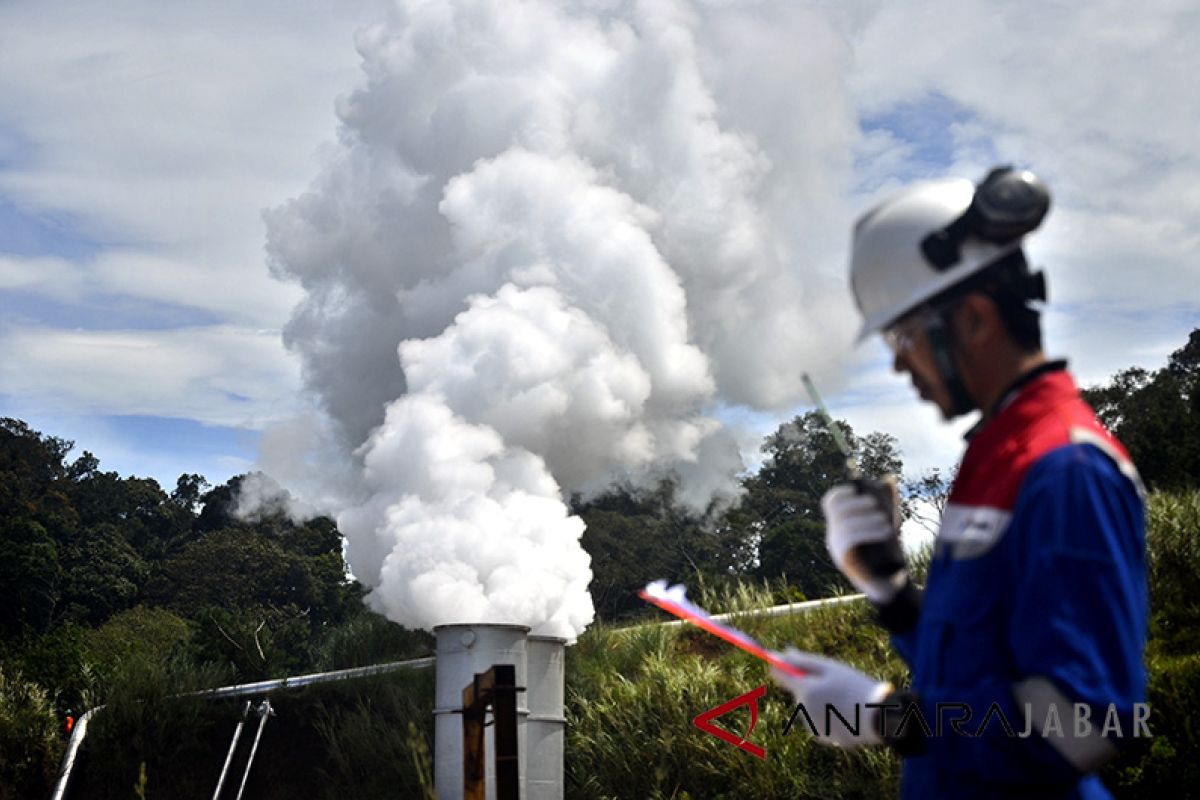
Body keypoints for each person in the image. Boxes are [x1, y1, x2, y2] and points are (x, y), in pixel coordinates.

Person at [770, 167, 1148, 799]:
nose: (896, 361)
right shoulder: (995, 456)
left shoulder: (1065, 471)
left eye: (903, 334)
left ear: (974, 318)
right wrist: (889, 589)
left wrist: (890, 718)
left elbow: (1084, 724)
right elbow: (976, 665)